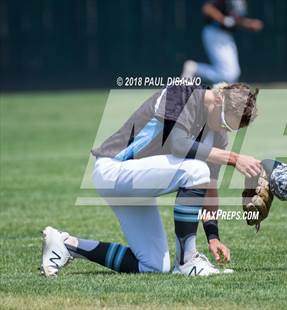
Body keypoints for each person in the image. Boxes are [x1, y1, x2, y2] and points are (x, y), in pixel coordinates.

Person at [40, 82, 260, 277]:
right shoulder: (181, 91)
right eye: (224, 122)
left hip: (137, 182)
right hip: (113, 169)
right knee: (195, 169)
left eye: (230, 128)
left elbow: (209, 186)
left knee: (154, 265)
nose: (224, 130)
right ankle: (187, 262)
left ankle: (66, 245)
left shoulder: (217, 134)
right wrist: (234, 158)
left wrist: (213, 235)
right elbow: (179, 144)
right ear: (219, 99)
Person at [182, 0, 264, 84]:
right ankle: (195, 69)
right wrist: (223, 19)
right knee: (229, 75)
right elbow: (207, 8)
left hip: (225, 35)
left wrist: (249, 24)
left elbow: (234, 20)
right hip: (215, 32)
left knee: (233, 74)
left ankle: (198, 71)